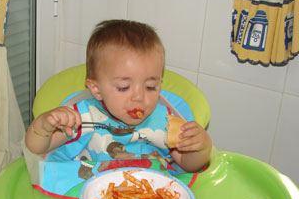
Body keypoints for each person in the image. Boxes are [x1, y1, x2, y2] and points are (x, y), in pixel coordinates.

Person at [25, 19, 211, 173]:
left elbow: (189, 164)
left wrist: (202, 147)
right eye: (123, 87)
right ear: (96, 89)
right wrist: (43, 125)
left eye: (150, 87)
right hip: (90, 196)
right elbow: (38, 147)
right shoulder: (83, 117)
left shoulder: (166, 121)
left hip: (153, 198)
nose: (139, 97)